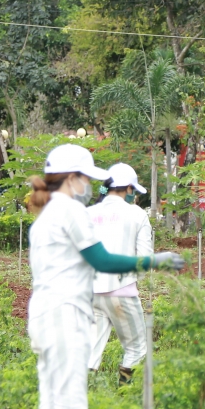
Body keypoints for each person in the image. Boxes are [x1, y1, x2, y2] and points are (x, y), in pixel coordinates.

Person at [25, 144, 183, 409]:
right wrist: (154, 260)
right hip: (66, 314)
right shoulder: (70, 211)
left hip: (43, 313)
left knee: (51, 402)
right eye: (84, 177)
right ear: (72, 178)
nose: (87, 185)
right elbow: (102, 260)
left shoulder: (44, 216)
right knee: (71, 406)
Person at [86, 163, 152, 384]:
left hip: (89, 293)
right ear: (129, 189)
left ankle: (83, 399)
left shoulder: (88, 213)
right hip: (122, 292)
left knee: (89, 352)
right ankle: (125, 395)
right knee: (136, 348)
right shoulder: (137, 214)